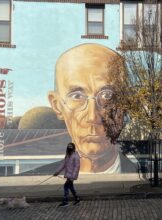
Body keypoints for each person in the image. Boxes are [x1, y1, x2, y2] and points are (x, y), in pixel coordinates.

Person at [48, 43, 136, 173]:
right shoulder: (32, 183)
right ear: (57, 105)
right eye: (77, 96)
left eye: (107, 95)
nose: (92, 117)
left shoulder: (144, 180)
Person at [54, 142, 80, 207]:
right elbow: (63, 165)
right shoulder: (67, 156)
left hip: (71, 176)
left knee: (66, 186)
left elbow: (76, 167)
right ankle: (77, 199)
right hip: (68, 175)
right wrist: (57, 172)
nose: (69, 148)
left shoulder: (76, 156)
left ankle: (65, 201)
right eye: (68, 147)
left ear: (73, 148)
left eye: (70, 147)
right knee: (70, 187)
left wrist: (72, 177)